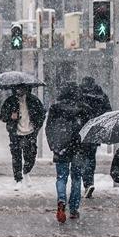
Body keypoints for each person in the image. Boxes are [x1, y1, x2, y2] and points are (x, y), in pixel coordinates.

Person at [46, 82, 91, 223]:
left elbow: (49, 128)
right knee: (76, 178)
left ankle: (61, 200)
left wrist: (53, 145)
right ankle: (74, 209)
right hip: (79, 148)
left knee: (61, 177)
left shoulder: (55, 108)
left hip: (61, 147)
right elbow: (88, 130)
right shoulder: (83, 108)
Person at [0, 85, 45, 191]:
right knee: (16, 156)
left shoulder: (34, 100)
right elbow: (2, 116)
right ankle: (18, 179)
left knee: (31, 154)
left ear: (27, 89)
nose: (20, 90)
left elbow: (42, 114)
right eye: (17, 88)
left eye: (22, 88)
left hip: (30, 132)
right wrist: (10, 116)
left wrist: (36, 125)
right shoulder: (10, 101)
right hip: (15, 132)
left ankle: (26, 171)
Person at [79, 76, 112, 198]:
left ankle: (86, 183)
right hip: (94, 130)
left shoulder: (79, 95)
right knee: (91, 158)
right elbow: (108, 112)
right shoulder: (100, 95)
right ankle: (89, 182)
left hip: (81, 130)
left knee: (82, 158)